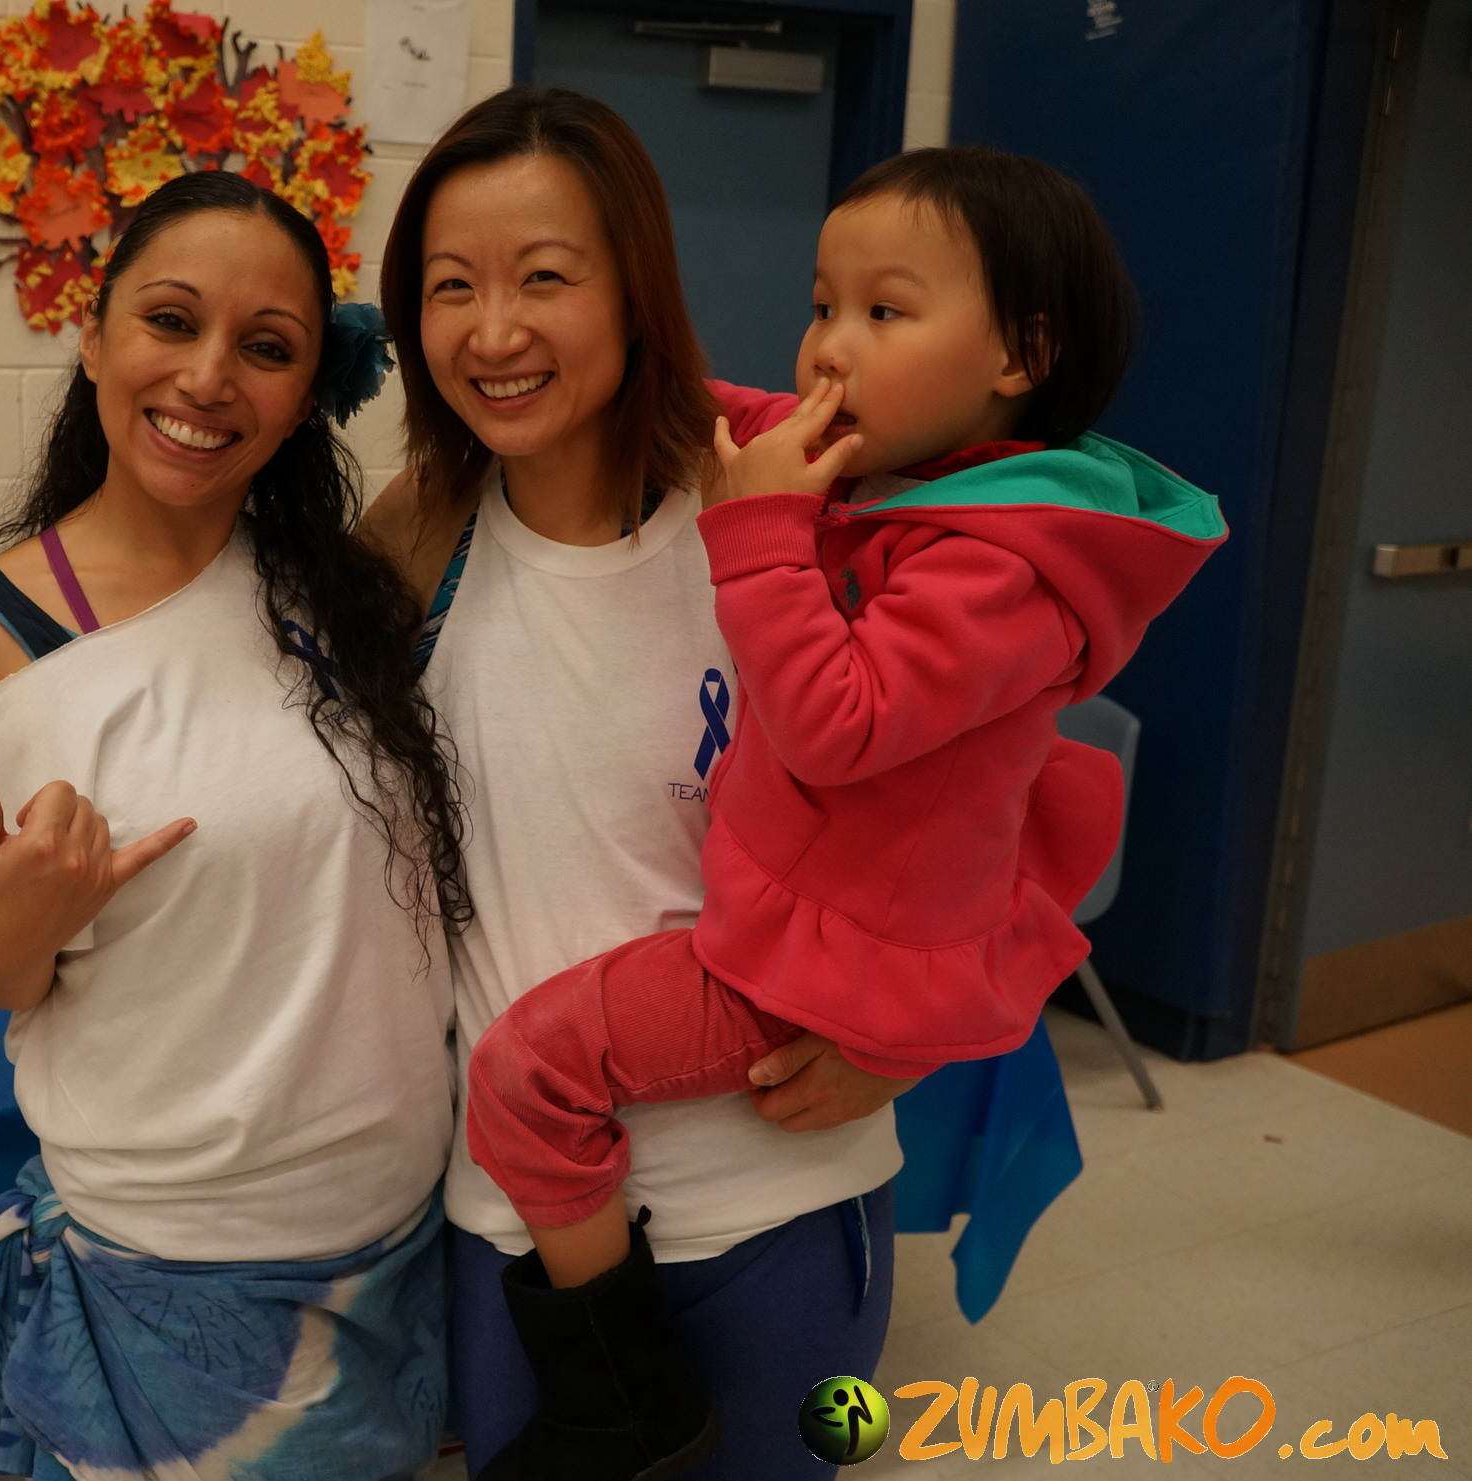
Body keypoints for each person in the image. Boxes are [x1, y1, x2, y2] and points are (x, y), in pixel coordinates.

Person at [460, 145, 1227, 1477]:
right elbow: (732, 416)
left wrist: (757, 532)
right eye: (823, 304)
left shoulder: (1005, 563)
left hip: (815, 965)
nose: (828, 346)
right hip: (808, 925)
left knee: (529, 1075)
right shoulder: (931, 475)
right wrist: (600, 354)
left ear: (1021, 355)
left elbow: (838, 722)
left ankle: (617, 1391)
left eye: (883, 311)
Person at [364, 88, 914, 1479]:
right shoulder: (415, 535)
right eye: (451, 287)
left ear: (636, 289)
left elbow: (982, 805)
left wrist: (920, 1032)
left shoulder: (785, 514)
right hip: (521, 1222)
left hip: (780, 1195)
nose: (494, 332)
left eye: (546, 277)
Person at [0, 170, 467, 1481]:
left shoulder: (340, 589)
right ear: (93, 335)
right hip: (183, 1275)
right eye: (170, 320)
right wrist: (23, 925)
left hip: (403, 1233)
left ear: (311, 388)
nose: (209, 377)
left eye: (267, 347)